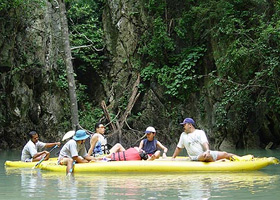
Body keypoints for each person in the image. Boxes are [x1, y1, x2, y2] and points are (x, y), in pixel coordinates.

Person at [172, 118, 236, 162]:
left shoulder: (200, 132)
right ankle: (216, 162)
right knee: (205, 156)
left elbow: (204, 142)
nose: (183, 126)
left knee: (225, 154)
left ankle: (242, 159)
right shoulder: (183, 135)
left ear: (190, 125)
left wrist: (207, 151)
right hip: (195, 157)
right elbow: (179, 147)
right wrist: (173, 158)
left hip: (206, 153)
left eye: (184, 125)